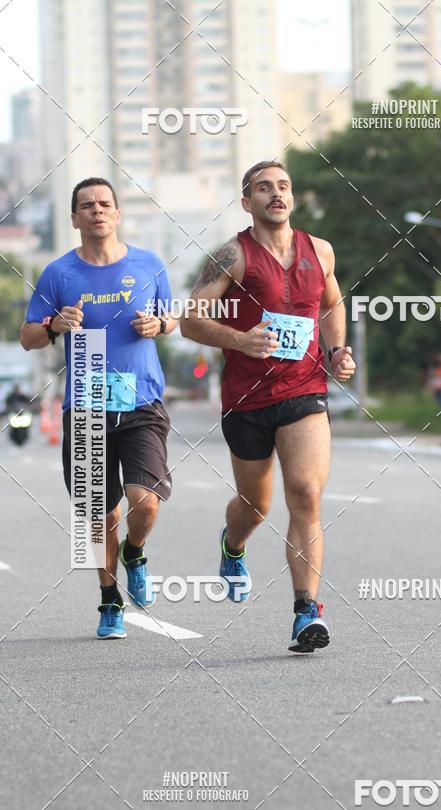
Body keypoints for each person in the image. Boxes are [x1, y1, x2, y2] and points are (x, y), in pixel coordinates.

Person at [180, 160, 355, 653]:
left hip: (303, 391)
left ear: (292, 198)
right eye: (263, 188)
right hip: (246, 399)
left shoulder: (319, 251)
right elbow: (191, 320)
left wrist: (337, 350)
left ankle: (306, 612)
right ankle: (233, 545)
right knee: (255, 506)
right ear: (246, 201)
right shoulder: (231, 255)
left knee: (306, 495)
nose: (275, 195)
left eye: (283, 187)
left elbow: (333, 304)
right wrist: (241, 339)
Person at [20, 177, 177, 639]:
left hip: (141, 400)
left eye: (105, 203)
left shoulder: (148, 264)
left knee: (144, 502)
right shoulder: (58, 274)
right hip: (86, 404)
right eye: (86, 205)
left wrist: (159, 324)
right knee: (98, 513)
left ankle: (135, 551)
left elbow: (173, 318)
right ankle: (109, 598)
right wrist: (54, 324)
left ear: (118, 213)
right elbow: (28, 336)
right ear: (74, 218)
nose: (97, 211)